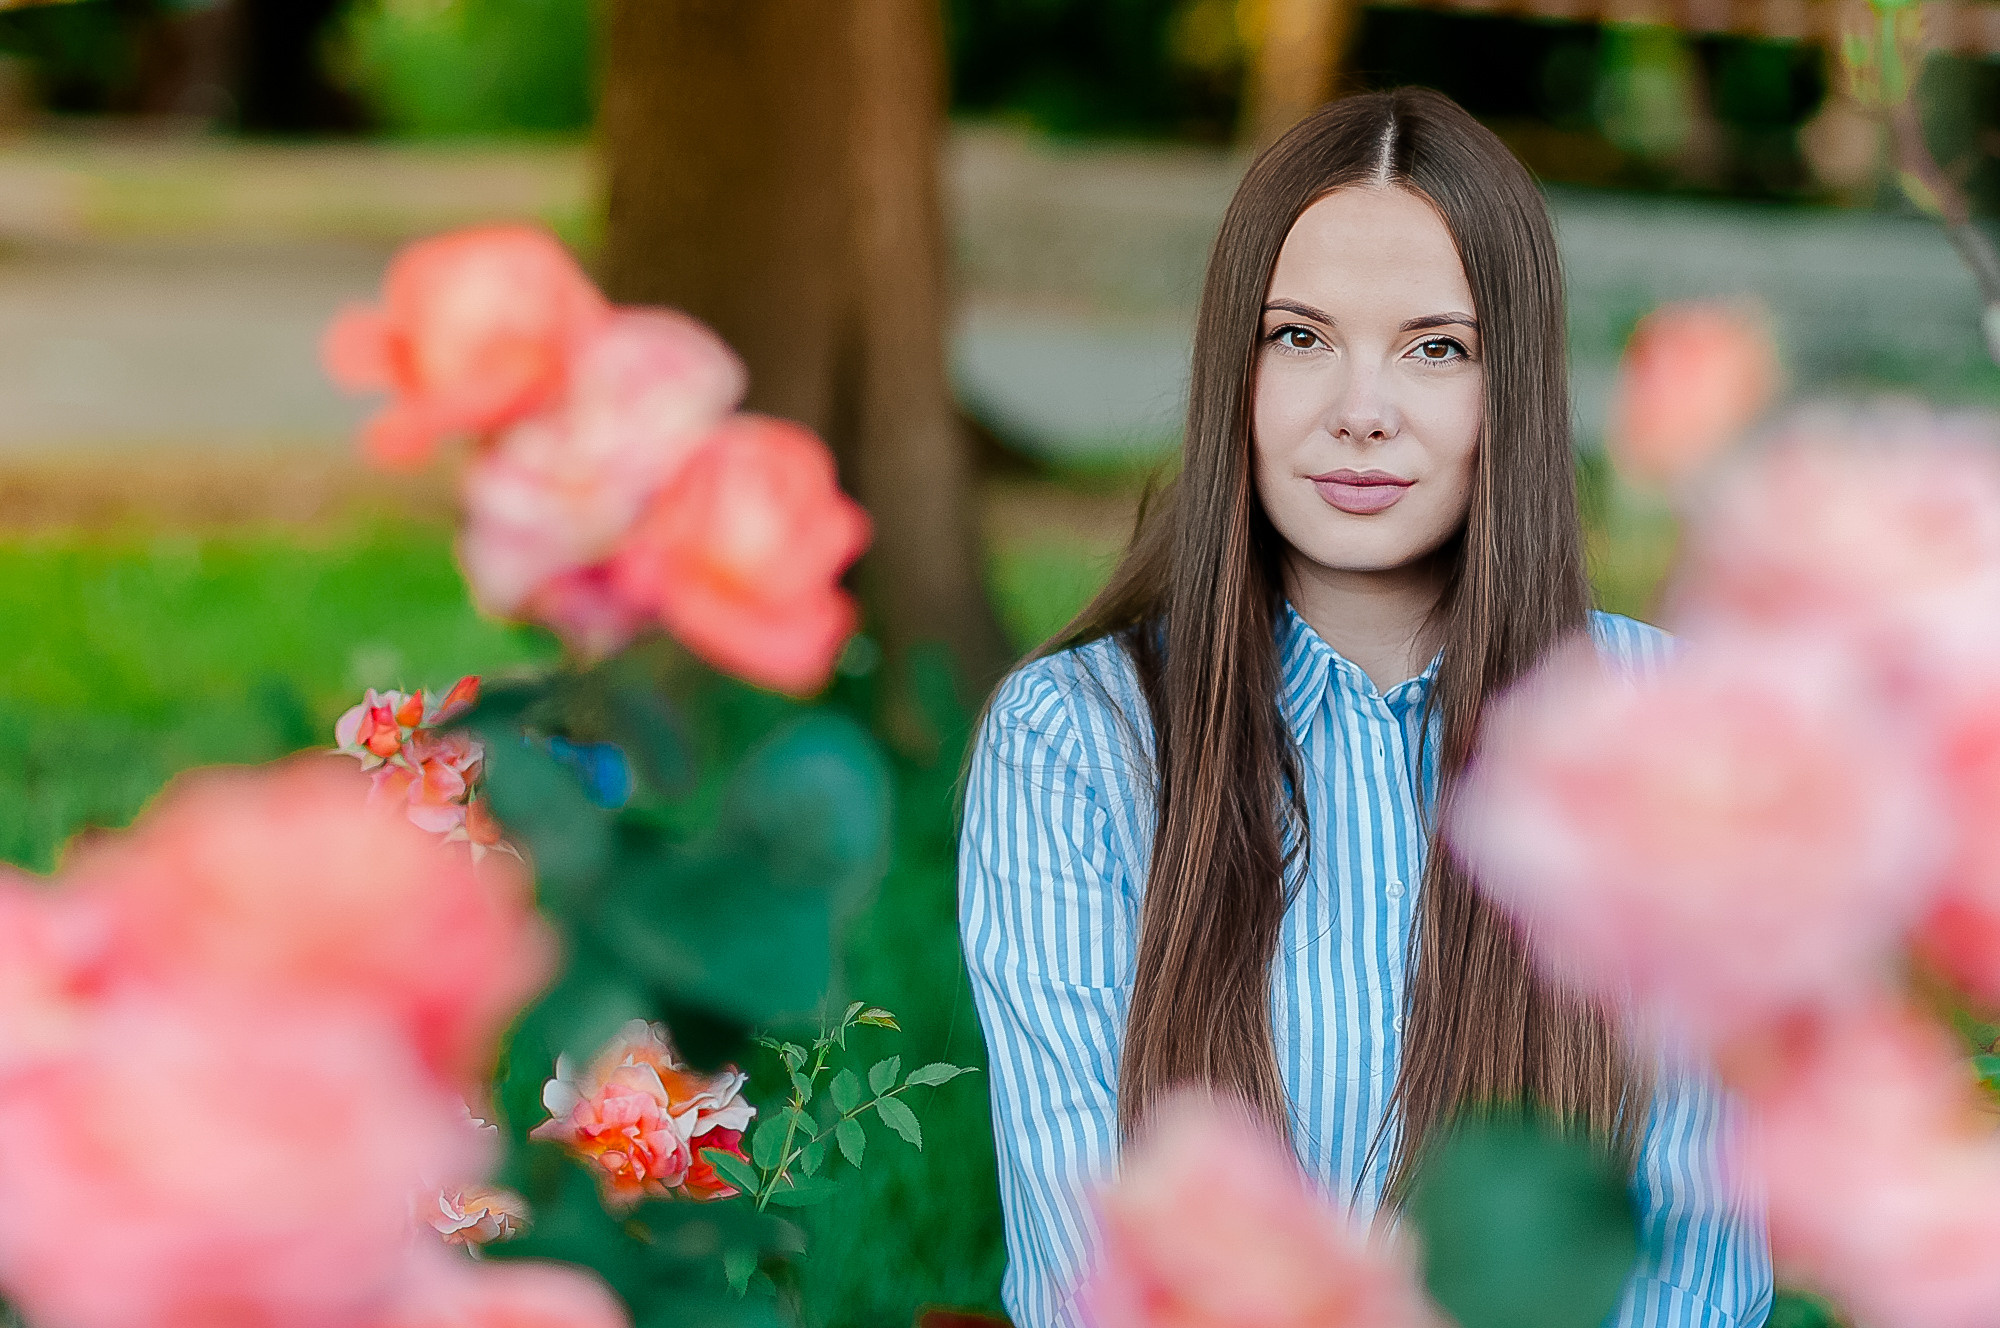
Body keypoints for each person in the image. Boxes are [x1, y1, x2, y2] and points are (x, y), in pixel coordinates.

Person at [958, 88, 1773, 1327]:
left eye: (1434, 347)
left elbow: (1687, 1263)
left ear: (1514, 385)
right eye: (1300, 336)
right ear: (1233, 362)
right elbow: (1092, 1273)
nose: (1359, 406)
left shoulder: (1662, 730)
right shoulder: (1078, 742)